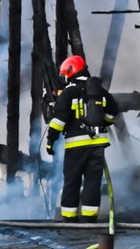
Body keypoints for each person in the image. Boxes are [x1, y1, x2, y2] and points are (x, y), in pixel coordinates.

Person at [46, 55, 119, 222]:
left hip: (76, 145)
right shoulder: (100, 92)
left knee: (72, 180)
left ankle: (69, 218)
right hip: (98, 144)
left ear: (71, 72)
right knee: (93, 181)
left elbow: (58, 121)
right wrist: (100, 121)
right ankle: (89, 218)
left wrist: (50, 141)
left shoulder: (68, 92)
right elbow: (113, 113)